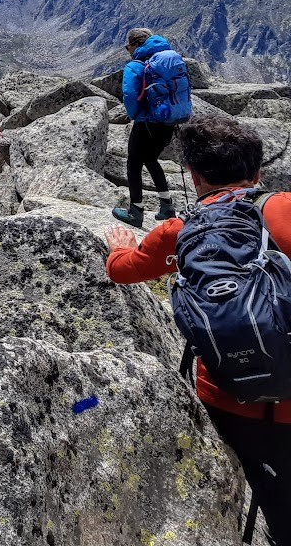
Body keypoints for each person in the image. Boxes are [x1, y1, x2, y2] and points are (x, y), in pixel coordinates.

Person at [104, 116, 290, 544]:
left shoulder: (179, 231)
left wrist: (120, 248)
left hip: (227, 397)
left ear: (195, 176)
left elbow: (123, 272)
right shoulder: (285, 208)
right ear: (258, 172)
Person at [113, 27, 191, 227]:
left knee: (133, 164)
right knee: (151, 159)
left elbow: (130, 95)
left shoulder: (136, 66)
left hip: (146, 122)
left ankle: (135, 212)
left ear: (136, 44)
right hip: (169, 121)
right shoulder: (166, 61)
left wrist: (136, 115)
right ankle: (167, 206)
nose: (127, 50)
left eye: (127, 45)